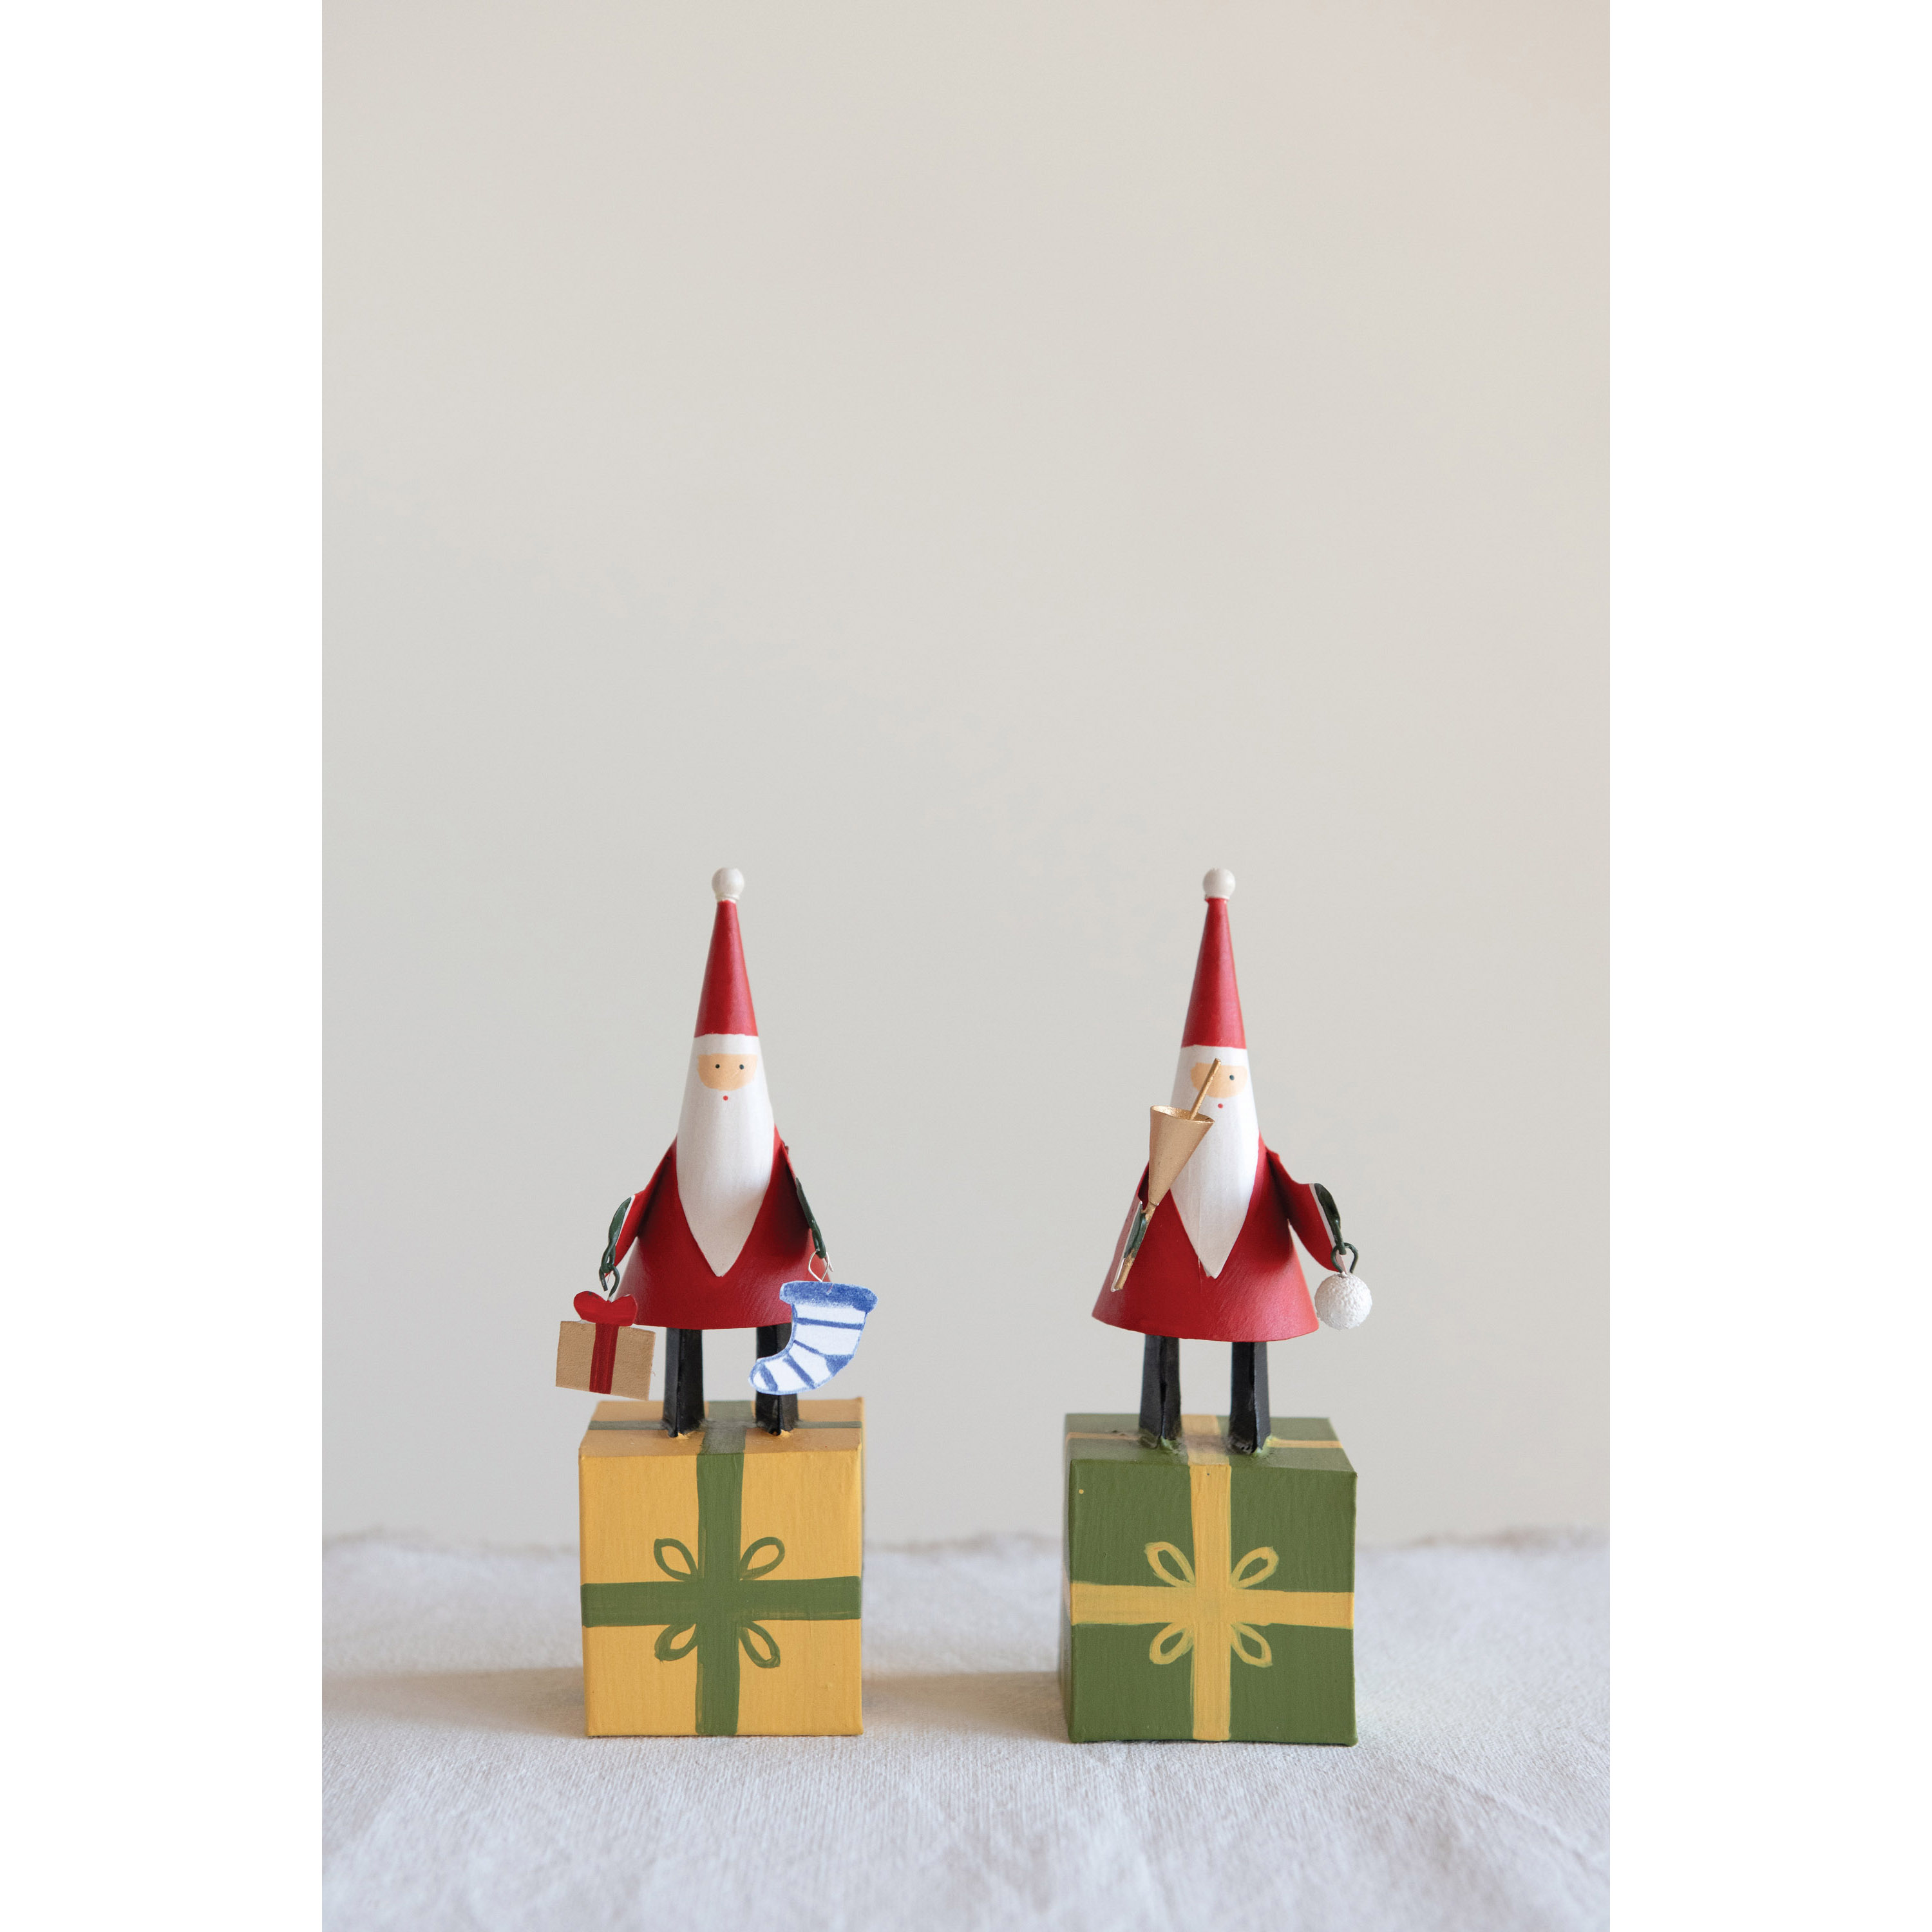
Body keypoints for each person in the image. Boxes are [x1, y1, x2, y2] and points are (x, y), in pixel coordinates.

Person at [1093, 869, 1358, 1453]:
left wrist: (1332, 1253)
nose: (1216, 1087)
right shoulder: (1170, 1153)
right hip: (1172, 1255)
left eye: (1229, 1078)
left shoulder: (1256, 1160)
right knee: (1162, 1330)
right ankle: (1159, 1422)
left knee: (1249, 1337)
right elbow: (1150, 1198)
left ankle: (1249, 1426)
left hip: (1251, 1266)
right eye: (1205, 1074)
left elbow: (1298, 1199)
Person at [601, 869, 824, 1435]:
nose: (726, 1075)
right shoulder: (686, 1153)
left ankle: (777, 1410)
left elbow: (799, 1202)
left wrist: (820, 1254)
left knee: (775, 1317)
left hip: (768, 1258)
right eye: (717, 1064)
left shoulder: (767, 1154)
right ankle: (682, 1412)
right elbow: (645, 1200)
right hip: (681, 1253)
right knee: (684, 1323)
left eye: (737, 1066)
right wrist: (611, 1263)